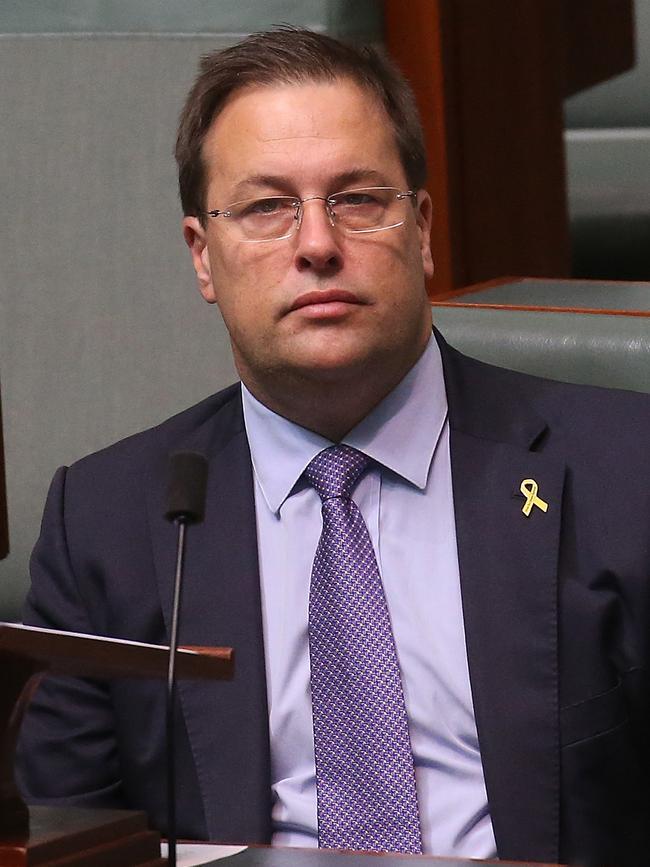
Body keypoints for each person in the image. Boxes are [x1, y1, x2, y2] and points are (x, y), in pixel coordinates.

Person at [17, 27, 650, 866]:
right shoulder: (108, 524)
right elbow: (68, 839)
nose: (316, 244)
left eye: (356, 198)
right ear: (203, 257)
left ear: (421, 230)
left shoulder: (624, 471)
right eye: (267, 207)